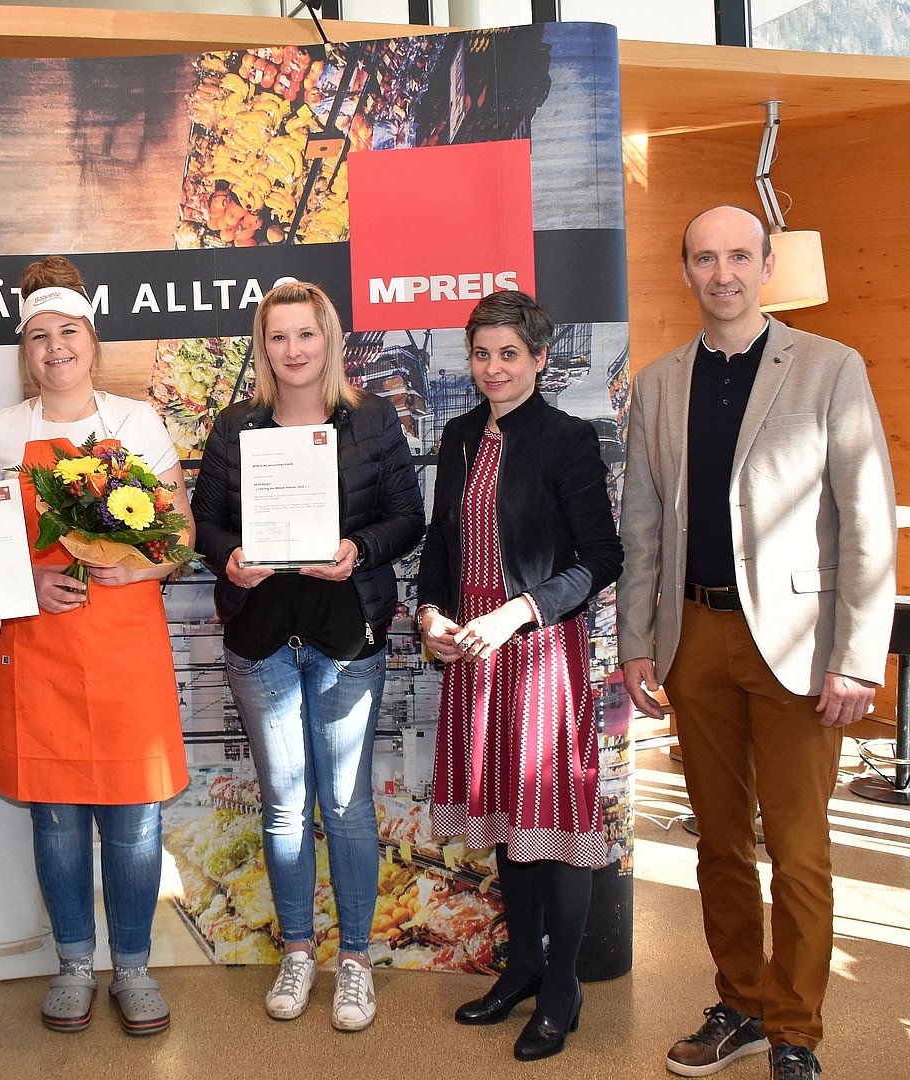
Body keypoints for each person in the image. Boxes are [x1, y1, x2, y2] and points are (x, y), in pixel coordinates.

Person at [618, 206, 895, 1080]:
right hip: (693, 638)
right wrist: (635, 640)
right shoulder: (658, 384)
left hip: (800, 645)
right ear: (687, 270)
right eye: (706, 258)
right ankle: (738, 1004)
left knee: (800, 851)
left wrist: (858, 656)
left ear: (766, 266)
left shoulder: (830, 367)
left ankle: (795, 1034)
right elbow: (642, 527)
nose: (723, 273)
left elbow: (866, 521)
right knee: (720, 843)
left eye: (739, 256)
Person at [0, 255, 194, 1037]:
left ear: (92, 340)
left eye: (68, 331)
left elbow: (181, 533)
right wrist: (27, 581)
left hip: (125, 646)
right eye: (39, 336)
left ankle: (132, 967)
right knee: (56, 819)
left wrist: (138, 566)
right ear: (24, 350)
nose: (54, 347)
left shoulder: (137, 423)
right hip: (37, 651)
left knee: (133, 820)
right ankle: (70, 965)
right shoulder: (0, 434)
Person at [192, 281, 423, 1030]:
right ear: (264, 347)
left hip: (345, 637)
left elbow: (408, 517)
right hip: (260, 638)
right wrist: (229, 560)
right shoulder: (234, 426)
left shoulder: (373, 419)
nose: (293, 350)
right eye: (278, 337)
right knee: (285, 805)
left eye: (305, 334)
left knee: (348, 805)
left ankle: (354, 961)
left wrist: (360, 549)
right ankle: (297, 951)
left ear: (329, 339)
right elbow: (205, 522)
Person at [416, 290, 622, 1063]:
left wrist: (518, 613)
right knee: (507, 818)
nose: (493, 368)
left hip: (537, 652)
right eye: (482, 354)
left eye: (509, 353)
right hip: (472, 654)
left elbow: (602, 558)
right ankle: (524, 965)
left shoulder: (569, 438)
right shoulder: (460, 436)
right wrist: (430, 616)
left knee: (552, 824)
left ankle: (562, 986)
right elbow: (441, 544)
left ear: (539, 358)